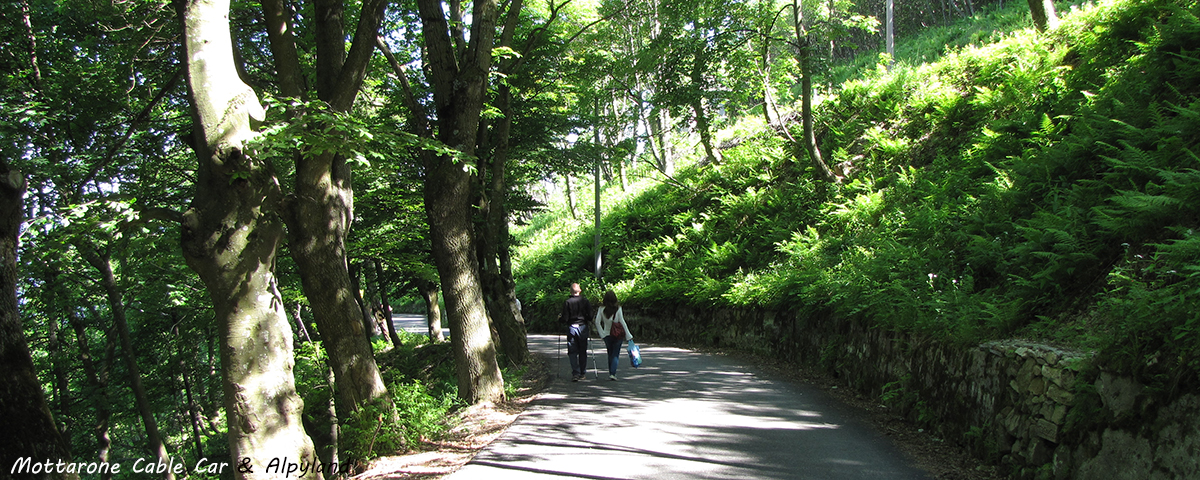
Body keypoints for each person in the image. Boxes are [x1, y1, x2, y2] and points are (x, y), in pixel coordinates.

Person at [594, 290, 632, 381]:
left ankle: (611, 371)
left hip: (607, 335)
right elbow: (622, 322)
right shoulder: (618, 308)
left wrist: (602, 334)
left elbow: (597, 322)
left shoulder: (601, 309)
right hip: (618, 335)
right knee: (615, 354)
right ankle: (612, 373)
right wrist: (628, 335)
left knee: (610, 353)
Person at [559, 283, 592, 381]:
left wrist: (559, 319)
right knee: (583, 351)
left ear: (570, 291)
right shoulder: (585, 301)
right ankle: (583, 373)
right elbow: (590, 316)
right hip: (583, 327)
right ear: (580, 290)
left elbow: (565, 318)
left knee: (572, 351)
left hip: (572, 327)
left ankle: (575, 373)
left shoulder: (567, 302)